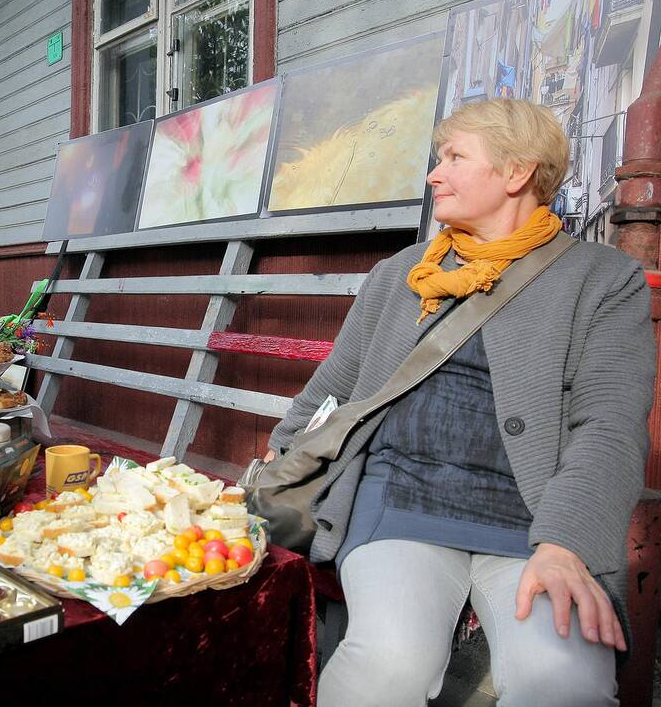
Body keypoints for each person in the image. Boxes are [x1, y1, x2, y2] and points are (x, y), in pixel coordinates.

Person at [263, 99, 655, 706]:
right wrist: (279, 464)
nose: (434, 174)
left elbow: (610, 426)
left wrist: (566, 543)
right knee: (387, 665)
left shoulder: (601, 280)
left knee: (565, 682)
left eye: (454, 157)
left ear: (517, 172)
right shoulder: (401, 274)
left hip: (535, 522)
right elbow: (332, 388)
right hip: (401, 500)